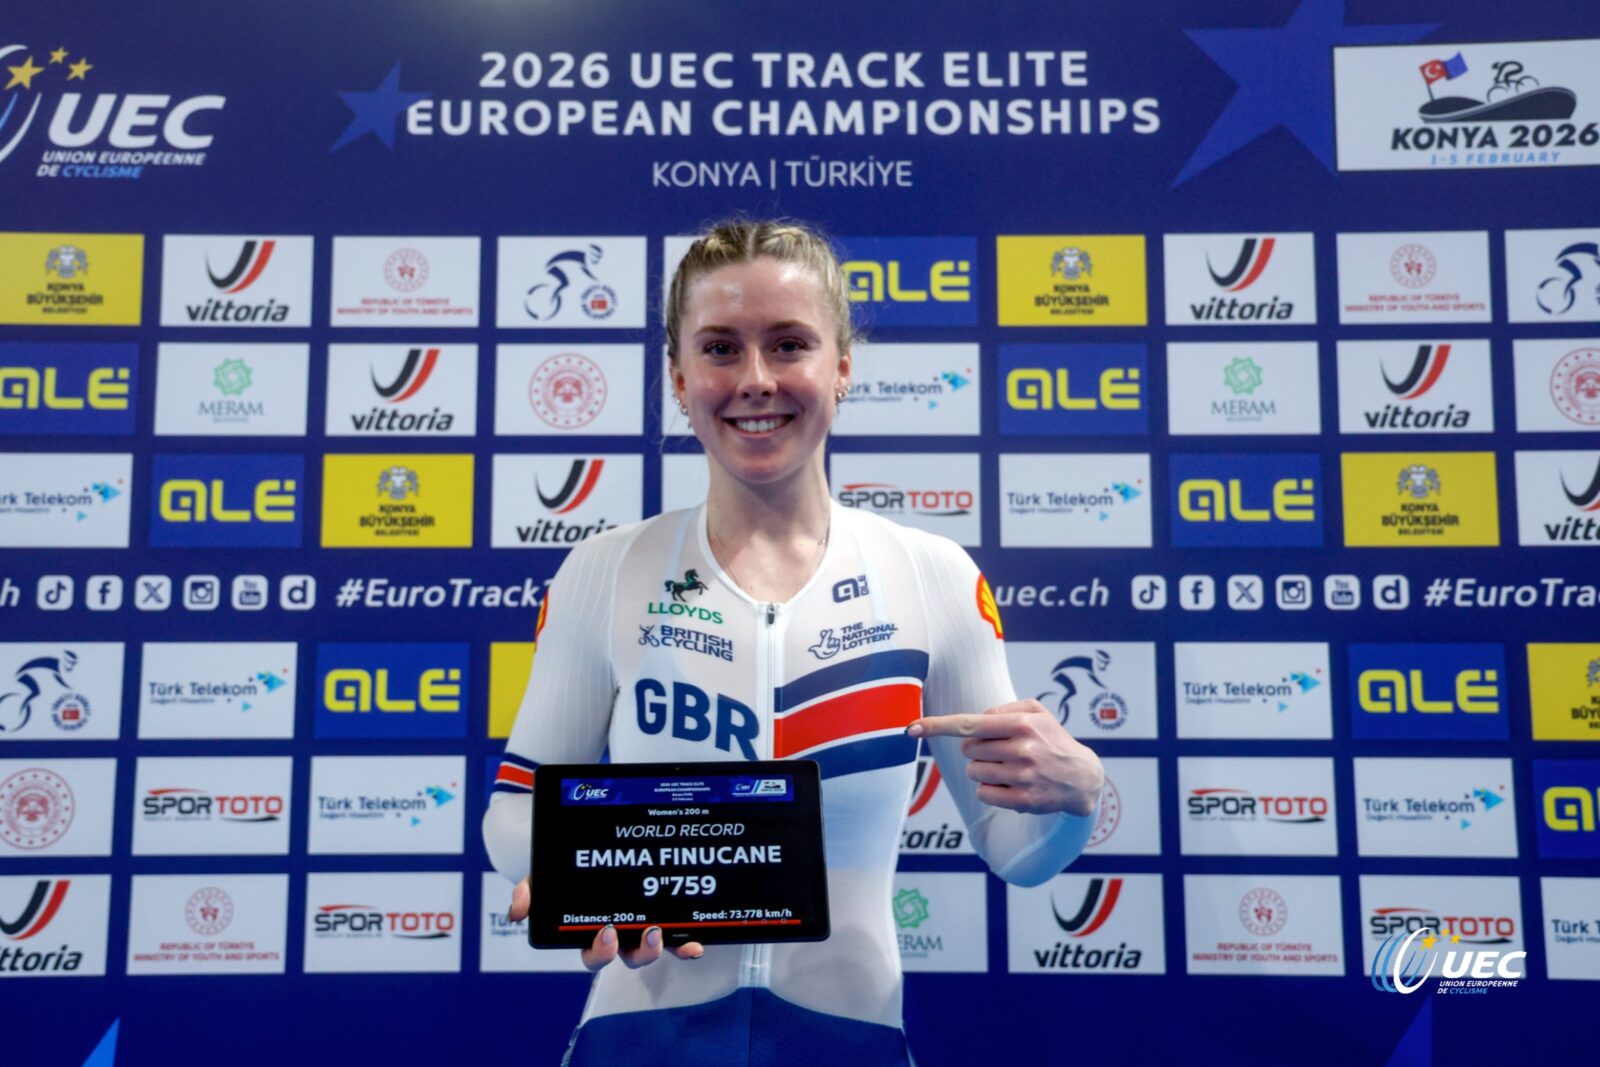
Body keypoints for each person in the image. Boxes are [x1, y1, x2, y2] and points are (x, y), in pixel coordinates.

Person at [483, 218, 1105, 1065]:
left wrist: (1076, 796)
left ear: (841, 365)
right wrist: (599, 880)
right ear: (679, 377)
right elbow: (514, 809)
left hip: (848, 1036)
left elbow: (1016, 852)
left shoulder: (930, 575)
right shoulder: (606, 570)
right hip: (640, 1038)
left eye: (788, 344)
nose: (755, 380)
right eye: (720, 348)